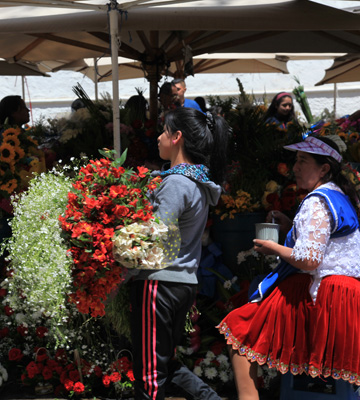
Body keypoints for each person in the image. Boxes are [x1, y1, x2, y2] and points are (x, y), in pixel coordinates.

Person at [217, 136, 360, 400]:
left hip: (325, 299)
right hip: (349, 300)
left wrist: (273, 247)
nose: (295, 167)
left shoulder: (317, 200)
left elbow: (310, 261)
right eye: (295, 161)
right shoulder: (341, 196)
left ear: (324, 169)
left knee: (239, 328)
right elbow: (327, 245)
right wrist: (291, 226)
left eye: (303, 161)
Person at [130, 107, 229, 400]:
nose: (159, 137)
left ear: (177, 137)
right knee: (164, 364)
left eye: (164, 131)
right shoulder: (197, 182)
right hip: (182, 283)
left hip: (158, 284)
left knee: (149, 375)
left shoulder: (175, 183)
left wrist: (117, 239)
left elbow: (156, 236)